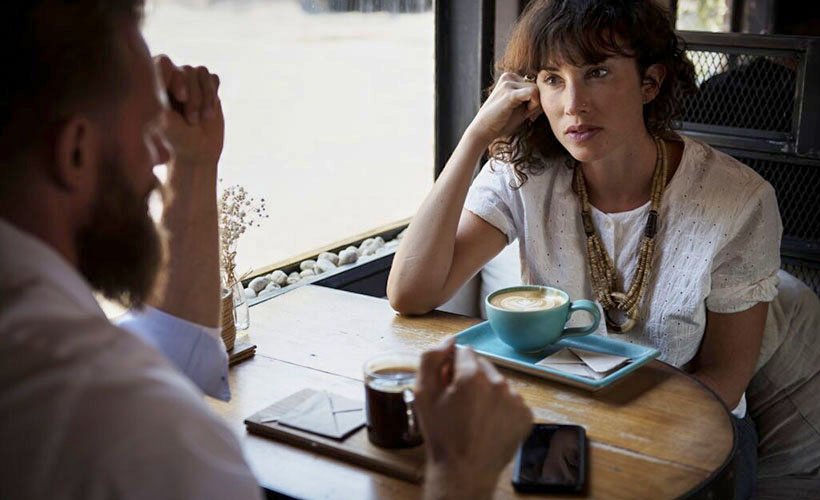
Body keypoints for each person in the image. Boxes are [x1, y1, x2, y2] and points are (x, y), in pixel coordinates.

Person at [0, 1, 532, 499]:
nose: (159, 157)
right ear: (74, 152)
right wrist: (460, 473)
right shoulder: (132, 430)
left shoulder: (40, 342)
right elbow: (139, 401)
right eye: (145, 134)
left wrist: (194, 164)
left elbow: (169, 353)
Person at [388, 1, 785, 498]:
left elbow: (727, 375)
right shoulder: (525, 173)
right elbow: (411, 292)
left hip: (693, 427)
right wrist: (475, 137)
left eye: (597, 72)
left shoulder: (741, 200)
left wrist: (619, 441)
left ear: (650, 83)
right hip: (561, 418)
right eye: (552, 79)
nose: (573, 103)